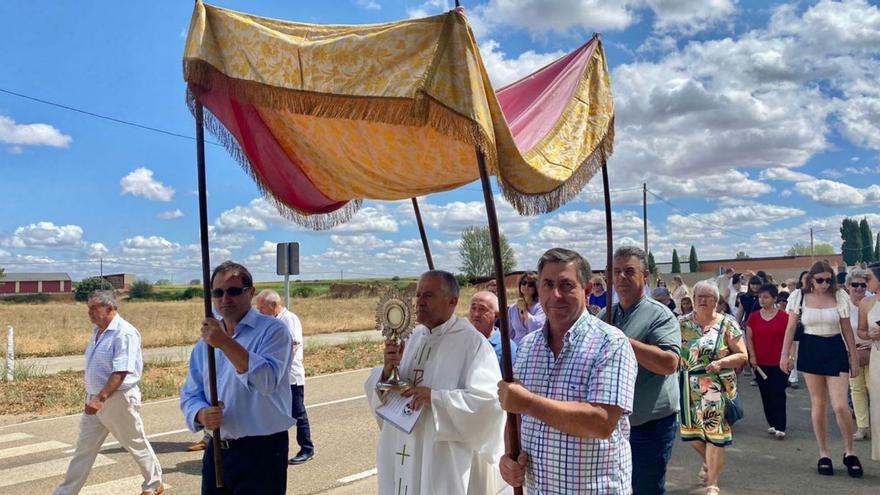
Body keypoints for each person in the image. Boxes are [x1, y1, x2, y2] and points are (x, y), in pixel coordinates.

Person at [498, 248, 637, 493]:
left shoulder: (611, 343)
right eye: (547, 284)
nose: (556, 294)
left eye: (566, 285)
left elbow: (602, 422)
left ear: (586, 289)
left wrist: (529, 402)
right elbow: (516, 416)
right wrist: (508, 458)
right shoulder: (529, 346)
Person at [364, 270, 505, 495]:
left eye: (428, 296)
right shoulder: (411, 338)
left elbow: (488, 404)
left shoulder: (472, 344)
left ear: (452, 301)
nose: (419, 301)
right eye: (418, 294)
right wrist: (388, 370)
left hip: (440, 454)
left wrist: (434, 397)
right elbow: (383, 389)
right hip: (401, 443)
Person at [180, 261, 294, 494]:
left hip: (261, 451)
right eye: (218, 292)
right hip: (217, 452)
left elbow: (267, 382)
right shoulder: (205, 343)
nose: (225, 299)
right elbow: (191, 393)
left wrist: (224, 343)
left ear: (250, 292)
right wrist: (201, 414)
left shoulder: (272, 331)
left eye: (233, 291)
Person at [54, 291, 163, 495]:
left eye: (94, 308)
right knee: (83, 451)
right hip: (95, 399)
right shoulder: (98, 331)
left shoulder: (125, 333)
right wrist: (94, 397)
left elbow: (121, 371)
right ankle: (65, 493)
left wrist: (101, 398)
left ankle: (154, 484)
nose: (90, 313)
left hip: (117, 399)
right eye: (88, 309)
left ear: (110, 308)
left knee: (135, 443)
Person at [600, 245, 681, 495]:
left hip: (651, 423)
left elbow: (669, 363)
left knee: (646, 487)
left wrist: (623, 341)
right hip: (614, 423)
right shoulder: (606, 315)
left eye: (629, 271)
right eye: (616, 272)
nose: (621, 277)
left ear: (645, 277)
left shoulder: (660, 315)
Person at [780, 261, 863, 478]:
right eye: (820, 280)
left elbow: (847, 330)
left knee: (840, 406)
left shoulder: (840, 296)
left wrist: (853, 359)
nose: (824, 284)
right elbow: (790, 327)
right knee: (818, 404)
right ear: (811, 279)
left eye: (828, 280)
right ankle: (824, 454)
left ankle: (849, 451)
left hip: (835, 348)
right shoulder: (798, 297)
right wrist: (785, 354)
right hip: (810, 348)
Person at [678, 280, 748, 495]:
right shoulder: (681, 323)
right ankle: (709, 462)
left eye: (709, 297)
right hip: (687, 386)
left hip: (715, 386)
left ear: (717, 301)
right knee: (692, 435)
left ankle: (713, 483)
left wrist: (722, 362)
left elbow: (742, 355)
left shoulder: (727, 324)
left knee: (715, 434)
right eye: (699, 296)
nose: (703, 300)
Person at [255, 289, 314, 464]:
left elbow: (294, 346)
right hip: (276, 379)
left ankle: (307, 448)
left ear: (273, 305)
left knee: (297, 413)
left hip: (290, 377)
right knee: (274, 414)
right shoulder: (272, 322)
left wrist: (277, 366)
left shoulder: (289, 319)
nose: (259, 312)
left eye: (261, 308)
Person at [746, 284, 790, 439]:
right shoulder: (754, 317)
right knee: (766, 394)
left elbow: (791, 339)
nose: (762, 300)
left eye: (765, 297)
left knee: (778, 392)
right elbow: (749, 338)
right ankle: (772, 422)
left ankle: (781, 425)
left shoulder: (784, 317)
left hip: (780, 362)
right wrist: (752, 356)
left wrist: (791, 357)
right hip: (760, 362)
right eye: (760, 297)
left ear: (774, 298)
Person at [856, 262, 880, 460]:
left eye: (868, 278)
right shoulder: (866, 303)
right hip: (877, 357)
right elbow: (860, 331)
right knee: (878, 405)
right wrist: (870, 334)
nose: (865, 283)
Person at [845, 269, 872, 441]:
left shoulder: (873, 301)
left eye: (863, 284)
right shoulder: (843, 304)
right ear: (848, 286)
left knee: (874, 388)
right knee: (856, 389)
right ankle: (862, 427)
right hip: (851, 352)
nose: (859, 288)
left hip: (872, 351)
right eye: (855, 284)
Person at [468, 290, 517, 370]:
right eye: (473, 308)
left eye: (482, 309)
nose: (476, 314)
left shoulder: (506, 347)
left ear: (496, 316)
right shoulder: (463, 341)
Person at [508, 271, 546, 345]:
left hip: (534, 346)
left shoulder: (541, 307)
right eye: (524, 283)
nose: (526, 286)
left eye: (531, 284)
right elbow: (509, 333)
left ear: (536, 287)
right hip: (516, 347)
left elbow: (536, 328)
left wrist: (524, 310)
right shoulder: (512, 308)